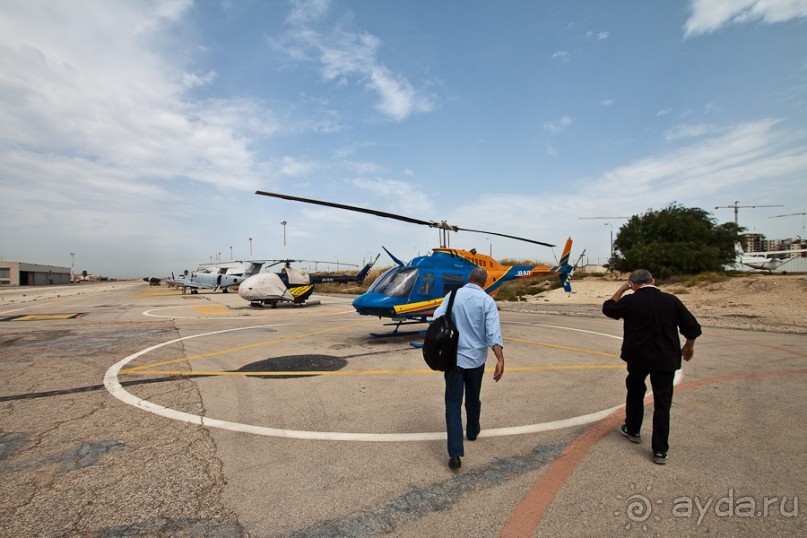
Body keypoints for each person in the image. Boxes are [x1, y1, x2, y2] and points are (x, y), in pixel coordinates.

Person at [602, 269, 701, 465]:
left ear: (633, 284)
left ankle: (633, 429)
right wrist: (689, 346)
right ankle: (660, 450)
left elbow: (609, 308)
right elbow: (692, 328)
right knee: (663, 403)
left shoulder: (630, 301)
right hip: (666, 359)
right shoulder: (671, 300)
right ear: (653, 281)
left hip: (638, 358)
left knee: (635, 392)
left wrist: (622, 289)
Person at [432, 266, 504, 470]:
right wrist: (500, 359)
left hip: (454, 360)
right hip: (476, 361)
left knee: (453, 403)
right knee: (473, 398)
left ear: (469, 278)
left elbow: (437, 318)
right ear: (484, 282)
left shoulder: (452, 295)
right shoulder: (487, 301)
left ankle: (455, 453)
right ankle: (472, 431)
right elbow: (493, 333)